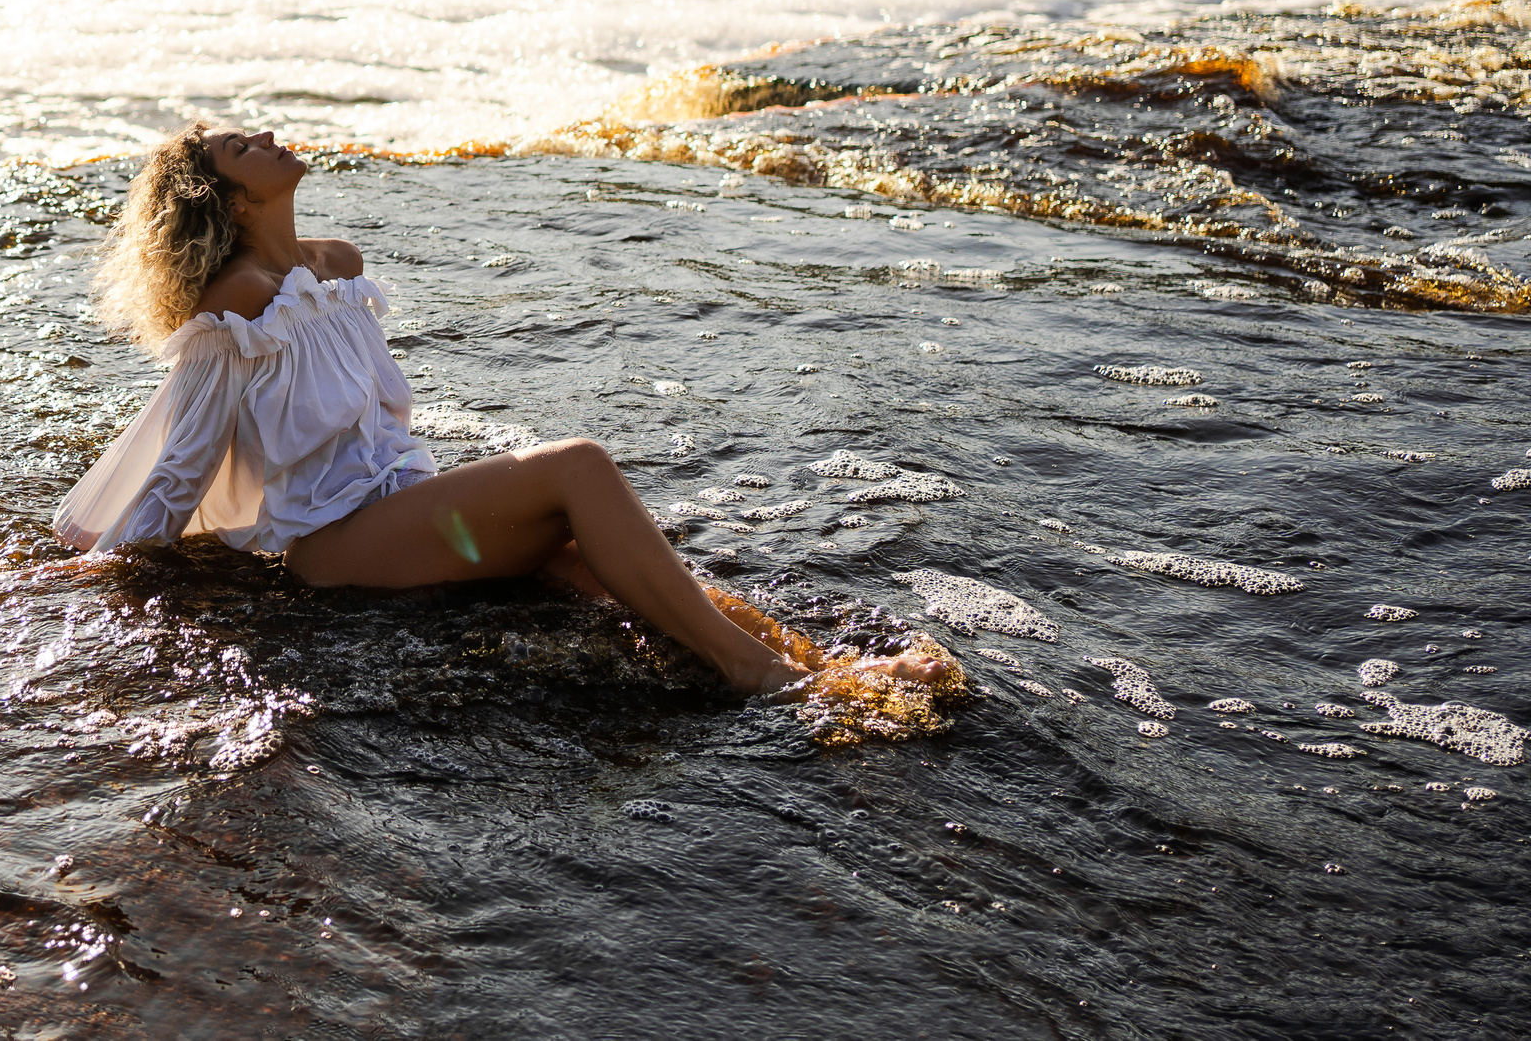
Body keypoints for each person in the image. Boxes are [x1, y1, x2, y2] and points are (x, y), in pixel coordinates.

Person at [54, 123, 955, 701]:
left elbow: (379, 425)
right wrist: (115, 571)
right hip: (334, 541)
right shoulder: (239, 302)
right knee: (579, 467)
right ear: (233, 197)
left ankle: (815, 665)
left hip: (400, 505)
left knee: (588, 560)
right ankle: (758, 672)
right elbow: (185, 457)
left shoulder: (337, 263)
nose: (265, 135)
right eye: (241, 148)